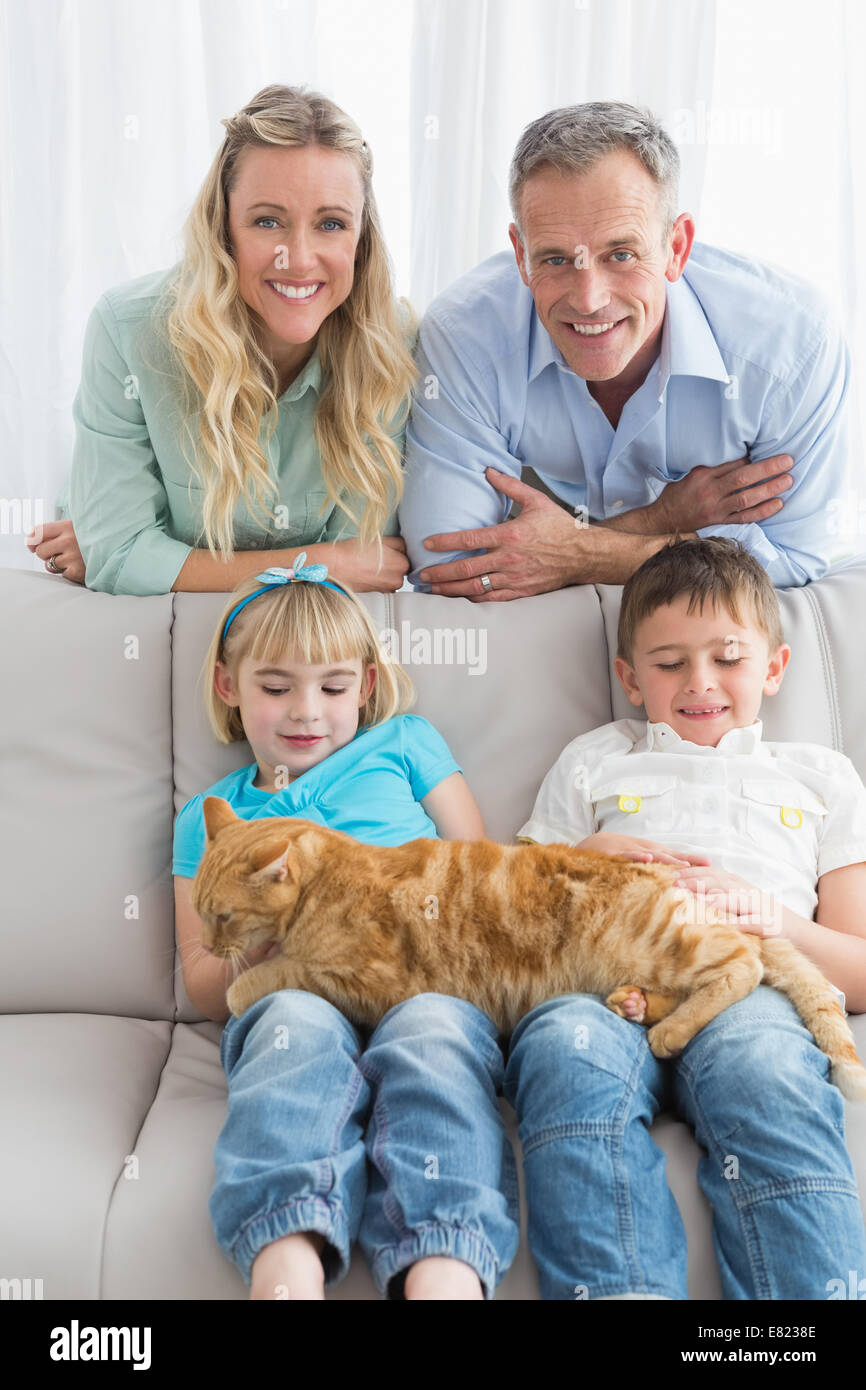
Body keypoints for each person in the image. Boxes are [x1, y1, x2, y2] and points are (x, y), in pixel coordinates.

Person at [511, 535, 866, 1298]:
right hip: (604, 987)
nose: (699, 682)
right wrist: (586, 860)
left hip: (751, 987)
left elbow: (860, 969)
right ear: (629, 678)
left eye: (728, 658)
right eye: (669, 663)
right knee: (561, 1051)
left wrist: (770, 916)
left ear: (774, 667)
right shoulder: (593, 760)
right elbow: (516, 919)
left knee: (769, 1073)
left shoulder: (820, 778)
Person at [172, 553, 520, 1299]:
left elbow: (481, 877)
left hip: (420, 984)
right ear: (229, 688)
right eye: (275, 687)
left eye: (332, 687)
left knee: (434, 1042)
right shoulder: (215, 819)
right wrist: (267, 933)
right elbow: (205, 983)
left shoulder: (402, 744)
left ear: (365, 686)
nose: (307, 710)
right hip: (298, 994)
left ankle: (444, 1269)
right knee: (291, 1035)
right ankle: (286, 1269)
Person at [398, 101, 858, 600]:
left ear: (676, 248)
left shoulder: (790, 347)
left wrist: (578, 553)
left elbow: (793, 561)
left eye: (620, 254)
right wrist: (665, 520)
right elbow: (451, 573)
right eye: (555, 258)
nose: (589, 298)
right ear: (520, 255)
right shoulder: (465, 336)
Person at [26, 84, 416, 596]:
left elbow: (366, 570)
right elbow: (121, 559)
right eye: (267, 221)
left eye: (331, 223)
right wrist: (321, 563)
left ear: (361, 238)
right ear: (222, 228)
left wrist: (153, 556)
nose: (297, 258)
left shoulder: (390, 340)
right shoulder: (127, 329)